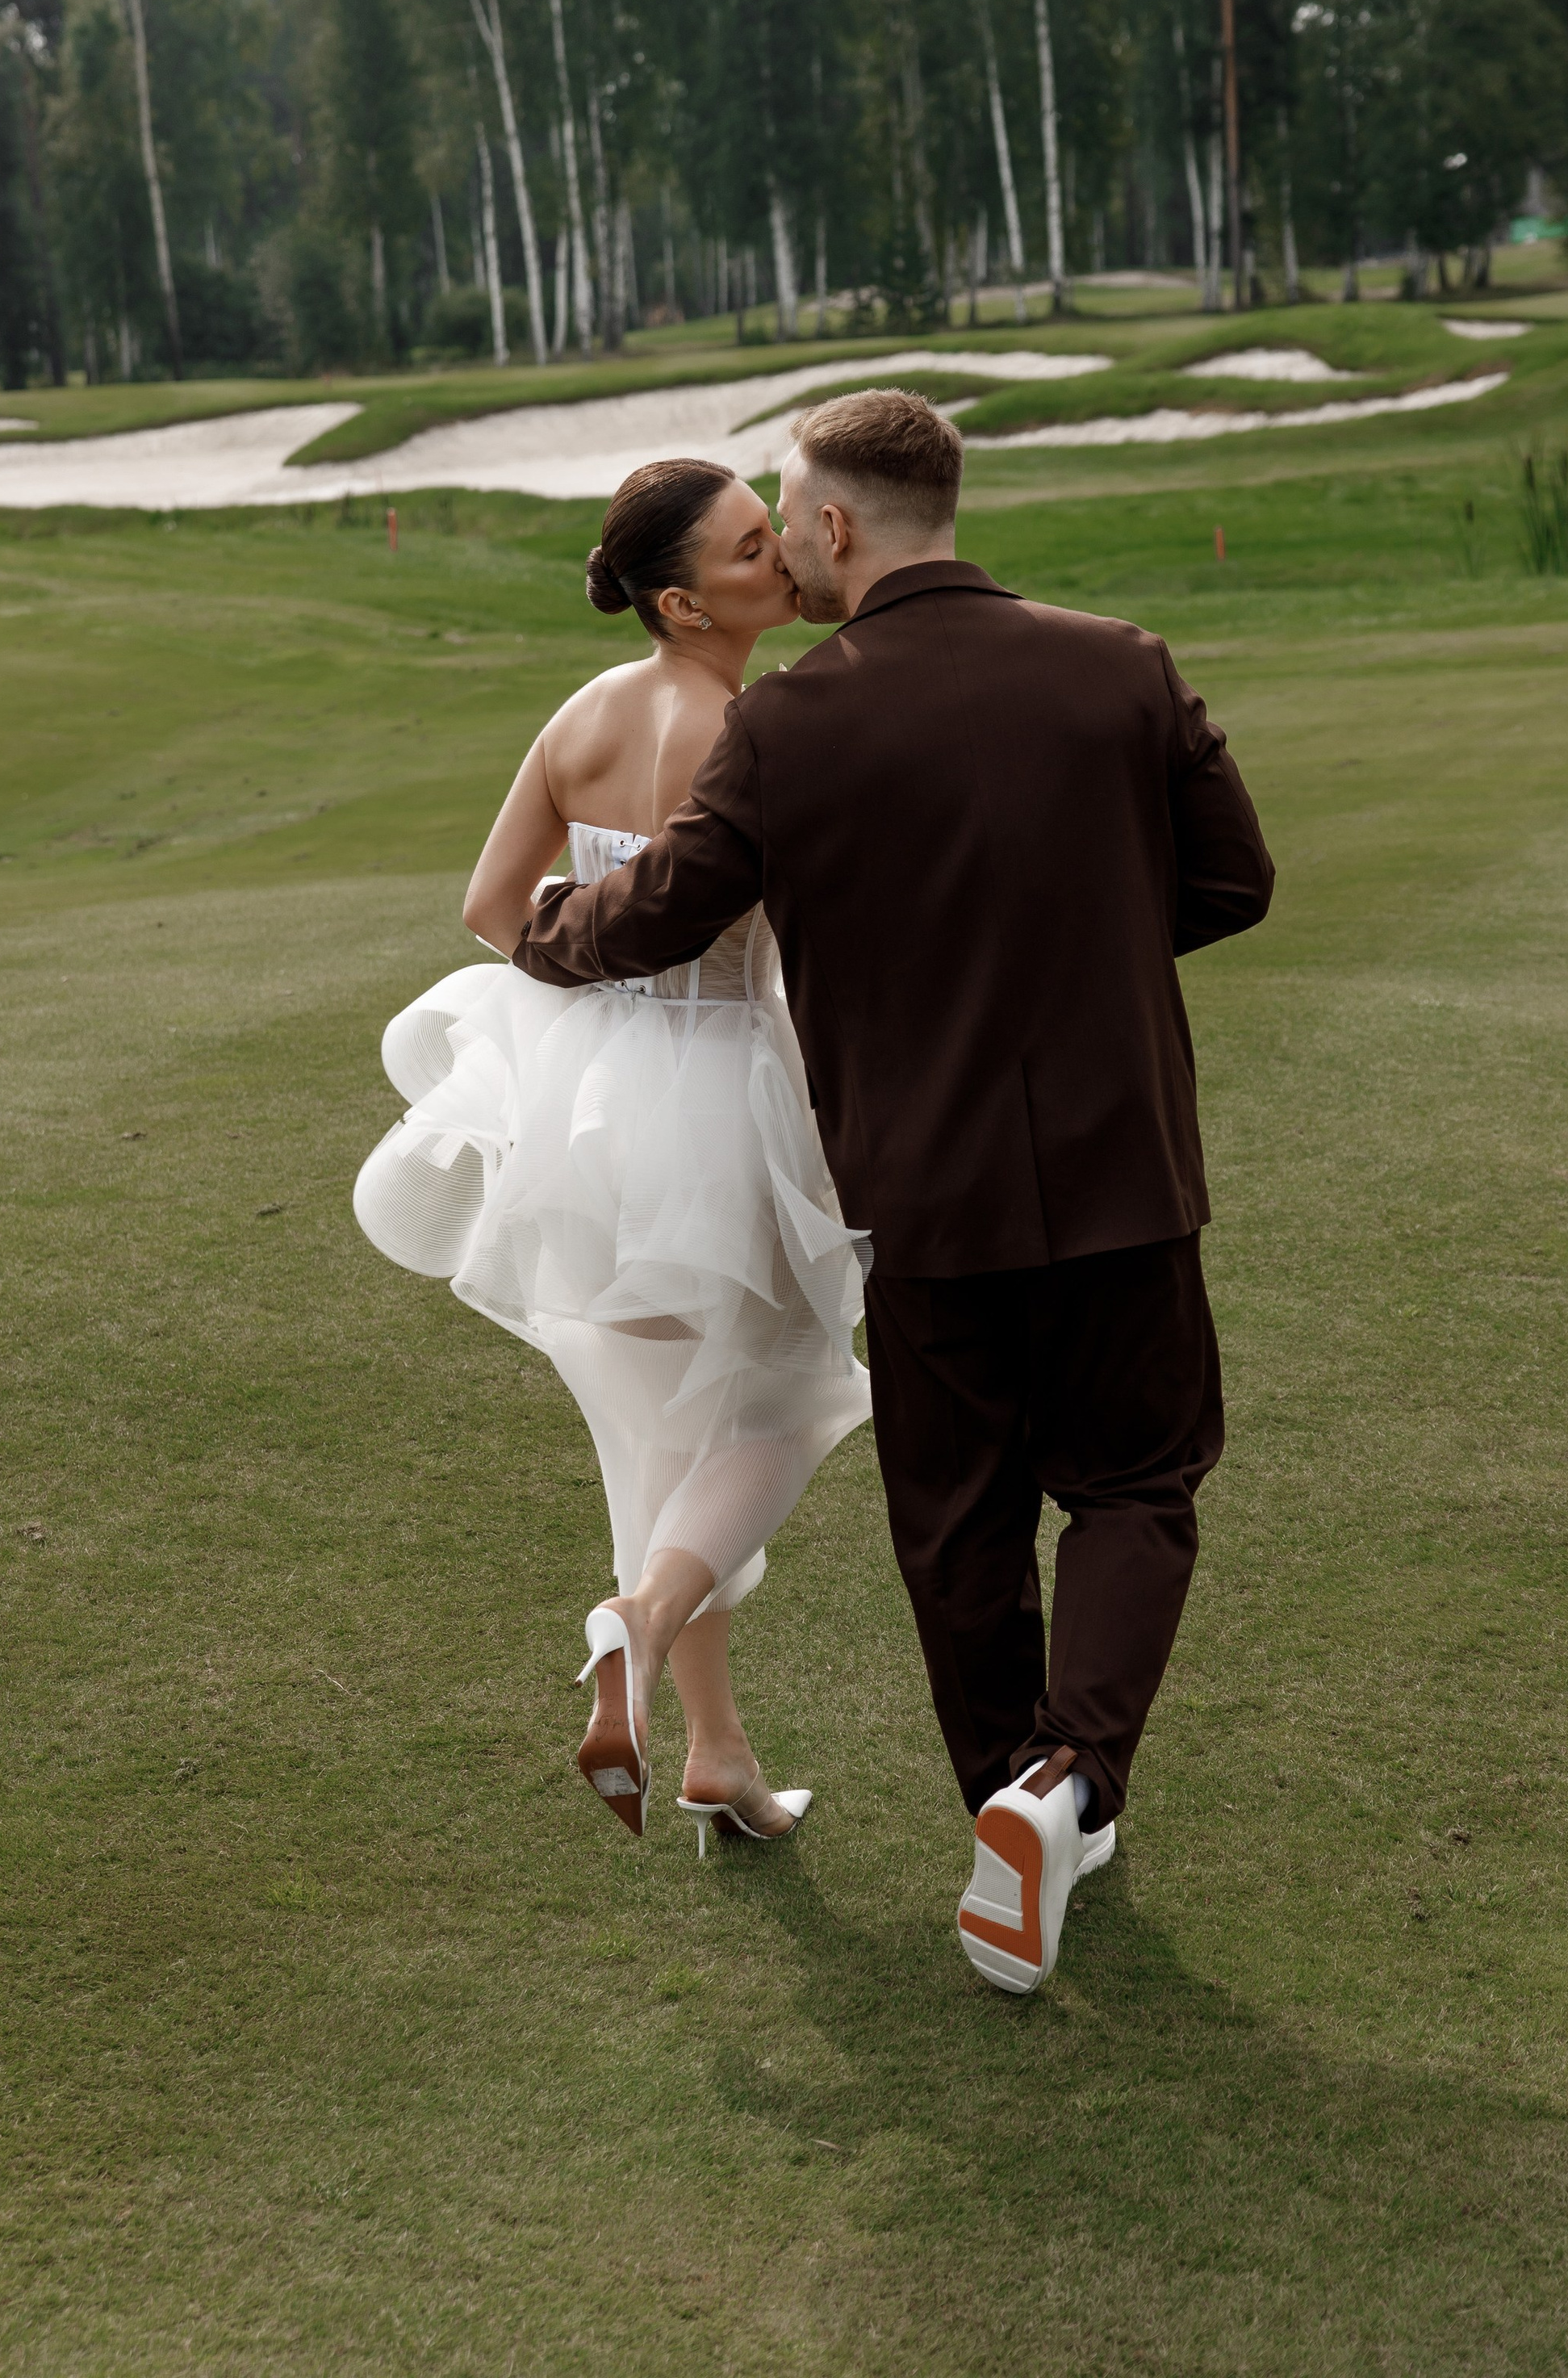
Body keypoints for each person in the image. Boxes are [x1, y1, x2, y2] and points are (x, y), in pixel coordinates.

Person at [511, 388, 1275, 1992]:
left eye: (784, 514)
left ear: (839, 525)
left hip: (921, 1197)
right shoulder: (1116, 663)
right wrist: (1087, 970)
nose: (780, 542)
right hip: (1125, 1170)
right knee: (1135, 1486)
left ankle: (1017, 1791)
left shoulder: (792, 720)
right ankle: (1068, 1793)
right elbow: (1230, 880)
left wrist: (542, 938)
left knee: (958, 1529)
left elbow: (653, 914)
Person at [352, 458, 870, 1853]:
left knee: (662, 1441)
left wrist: (604, 981)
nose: (786, 559)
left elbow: (488, 905)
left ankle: (716, 1751)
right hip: (721, 1100)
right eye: (756, 547)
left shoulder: (582, 714)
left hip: (586, 1111)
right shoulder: (751, 731)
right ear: (684, 601)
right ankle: (637, 1625)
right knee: (784, 1408)